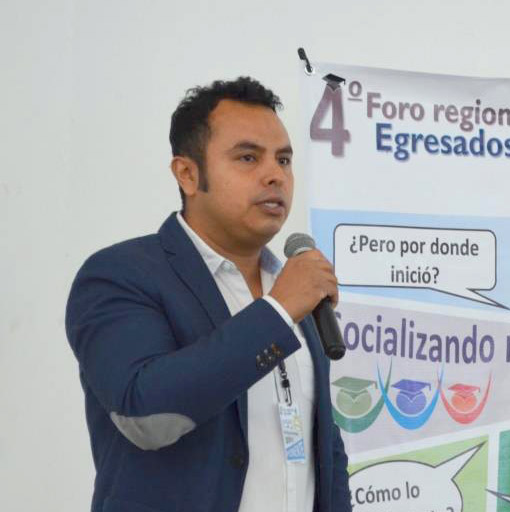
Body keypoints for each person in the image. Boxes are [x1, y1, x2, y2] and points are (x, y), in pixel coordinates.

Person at [65, 77, 352, 512]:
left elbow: (325, 449)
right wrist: (278, 312)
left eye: (284, 159)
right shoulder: (120, 275)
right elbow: (147, 417)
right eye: (248, 157)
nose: (275, 175)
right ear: (188, 173)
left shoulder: (291, 286)